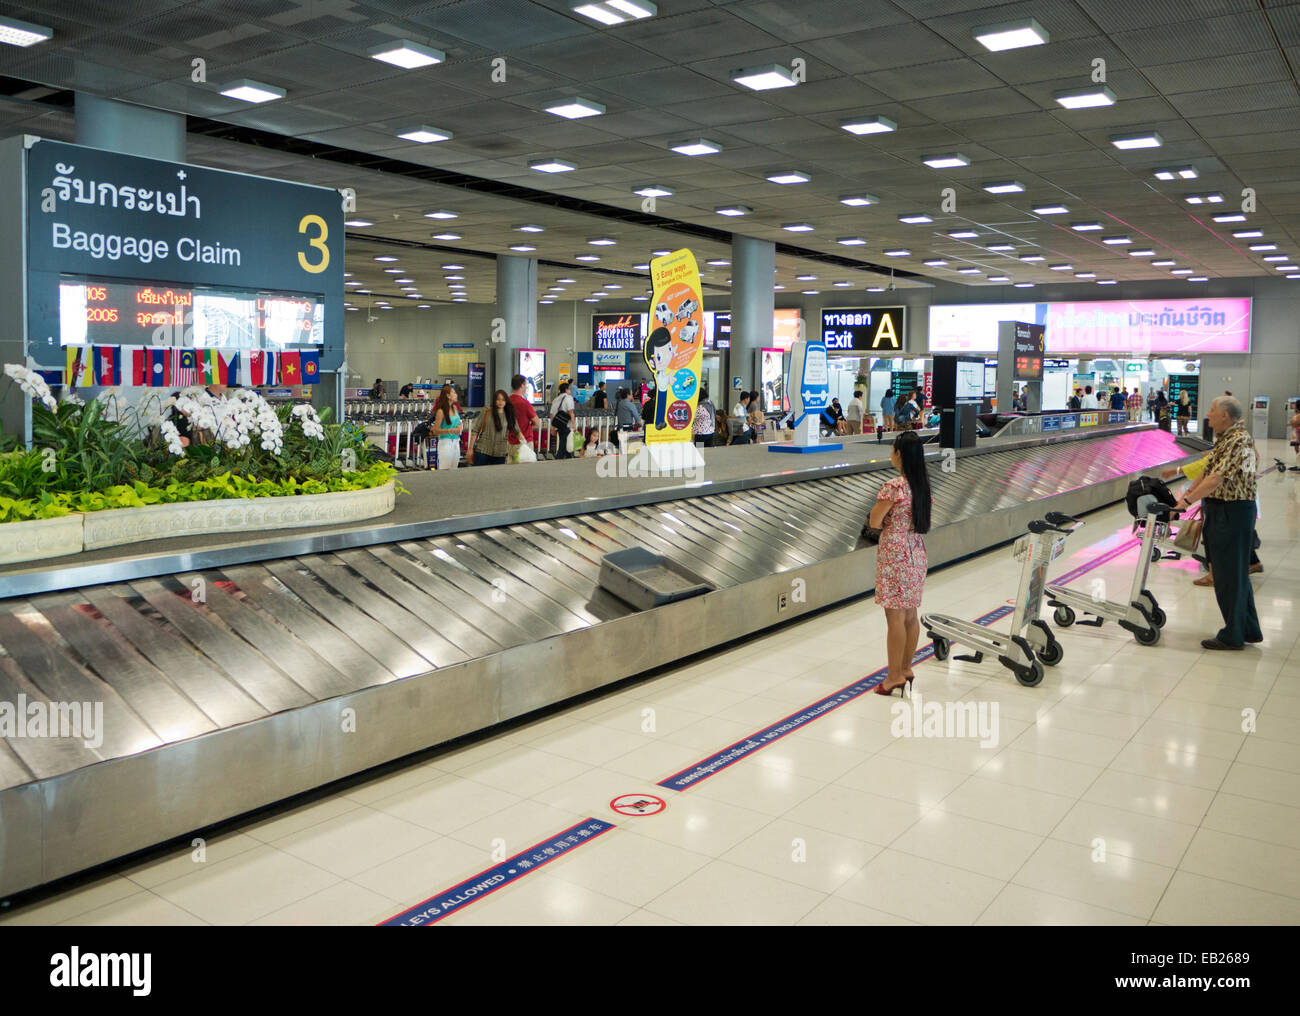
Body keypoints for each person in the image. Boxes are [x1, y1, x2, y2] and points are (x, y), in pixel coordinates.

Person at [1174, 396, 1262, 649]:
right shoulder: (1227, 439)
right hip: (1225, 511)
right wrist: (1184, 498)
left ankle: (1233, 635)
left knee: (1228, 576)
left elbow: (1216, 479)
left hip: (1231, 513)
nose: (1208, 415)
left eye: (1212, 410)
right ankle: (1248, 629)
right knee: (1234, 574)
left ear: (1225, 415)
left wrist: (1185, 502)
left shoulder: (1238, 440)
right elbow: (1207, 471)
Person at [871, 431, 932, 696]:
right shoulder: (922, 486)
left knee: (893, 616)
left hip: (895, 555)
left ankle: (893, 676)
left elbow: (874, 521)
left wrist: (884, 521)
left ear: (900, 455)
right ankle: (906, 668)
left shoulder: (893, 487)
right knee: (909, 613)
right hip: (916, 552)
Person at [471, 389, 522, 466]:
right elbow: (475, 430)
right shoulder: (486, 411)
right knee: (479, 476)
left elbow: (517, 431)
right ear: (494, 400)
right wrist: (470, 448)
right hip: (482, 451)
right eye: (498, 399)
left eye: (503, 400)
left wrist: (524, 442)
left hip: (500, 453)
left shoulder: (509, 414)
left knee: (496, 477)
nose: (501, 402)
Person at [430, 384, 462, 471]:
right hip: (445, 443)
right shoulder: (441, 411)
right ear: (448, 396)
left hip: (456, 441)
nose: (456, 395)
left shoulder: (455, 408)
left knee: (454, 469)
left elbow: (458, 422)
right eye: (454, 393)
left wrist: (459, 426)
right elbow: (435, 431)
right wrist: (450, 430)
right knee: (445, 470)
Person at [508, 373, 539, 460]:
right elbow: (537, 422)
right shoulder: (524, 403)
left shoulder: (507, 401)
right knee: (526, 470)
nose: (526, 387)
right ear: (522, 386)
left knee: (511, 469)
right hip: (525, 442)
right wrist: (529, 426)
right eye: (526, 385)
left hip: (510, 442)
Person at [550, 381, 576, 459]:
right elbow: (571, 412)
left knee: (564, 441)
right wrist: (574, 425)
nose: (570, 391)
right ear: (566, 389)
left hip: (558, 424)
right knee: (564, 444)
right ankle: (559, 457)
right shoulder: (568, 398)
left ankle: (568, 457)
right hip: (566, 424)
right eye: (569, 389)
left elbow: (551, 414)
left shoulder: (555, 399)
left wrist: (553, 428)